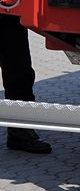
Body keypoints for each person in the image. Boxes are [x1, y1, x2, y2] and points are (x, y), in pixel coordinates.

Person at [1, 14, 52, 153]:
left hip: (8, 4)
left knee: (18, 69)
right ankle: (19, 130)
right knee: (17, 66)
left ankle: (19, 130)